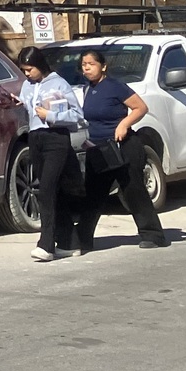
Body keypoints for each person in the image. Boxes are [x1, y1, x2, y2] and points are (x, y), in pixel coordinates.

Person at [71, 47, 170, 251]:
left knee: (133, 190)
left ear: (103, 66)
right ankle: (82, 238)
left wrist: (123, 125)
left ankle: (153, 234)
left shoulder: (115, 86)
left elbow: (140, 108)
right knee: (93, 194)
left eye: (91, 64)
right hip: (98, 149)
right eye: (84, 65)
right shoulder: (87, 89)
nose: (87, 68)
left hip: (123, 146)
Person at [14, 47, 84, 261]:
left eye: (30, 69)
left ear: (40, 65)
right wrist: (20, 102)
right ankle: (69, 242)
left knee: (45, 190)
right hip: (35, 139)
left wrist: (51, 115)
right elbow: (30, 106)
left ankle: (46, 244)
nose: (27, 74)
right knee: (53, 190)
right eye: (24, 70)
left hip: (56, 137)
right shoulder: (27, 85)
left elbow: (77, 115)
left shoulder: (59, 83)